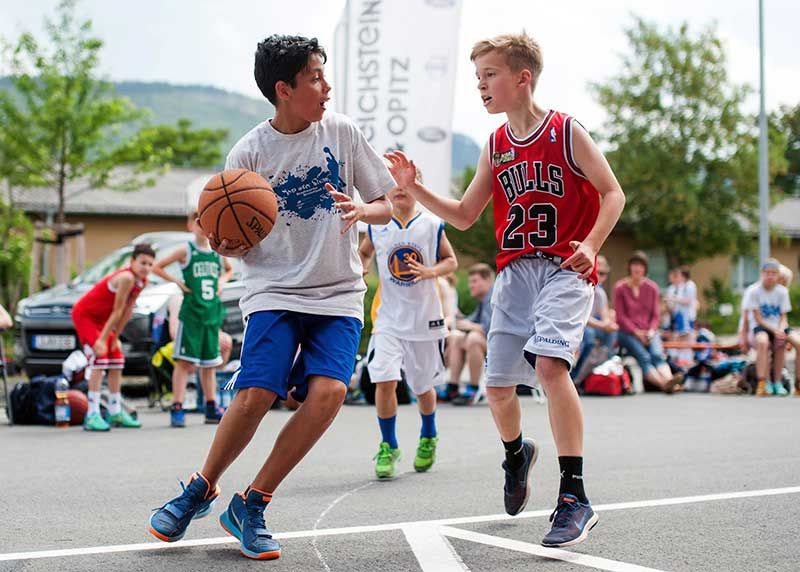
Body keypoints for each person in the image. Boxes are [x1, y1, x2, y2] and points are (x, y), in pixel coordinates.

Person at [148, 35, 393, 560]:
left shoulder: (343, 133)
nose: (326, 87)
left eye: (325, 76)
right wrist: (226, 241)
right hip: (274, 288)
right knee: (257, 393)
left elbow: (386, 204)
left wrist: (361, 212)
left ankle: (251, 504)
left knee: (328, 394)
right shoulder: (250, 152)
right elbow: (228, 237)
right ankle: (201, 486)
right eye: (315, 78)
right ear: (284, 89)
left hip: (338, 291)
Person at [385, 31, 625, 547]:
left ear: (523, 78)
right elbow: (466, 216)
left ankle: (574, 497)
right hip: (514, 274)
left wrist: (592, 242)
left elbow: (613, 193)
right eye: (477, 77)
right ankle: (517, 454)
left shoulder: (565, 131)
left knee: (550, 365)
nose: (481, 86)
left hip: (564, 266)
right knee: (496, 389)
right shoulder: (495, 145)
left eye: (489, 75)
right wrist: (414, 188)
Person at [358, 171, 458, 478]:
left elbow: (451, 261)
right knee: (384, 379)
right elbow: (363, 254)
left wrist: (431, 271)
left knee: (422, 386)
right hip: (387, 318)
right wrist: (360, 269)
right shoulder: (377, 226)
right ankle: (389, 445)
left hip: (425, 319)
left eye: (407, 183)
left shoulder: (431, 224)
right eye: (394, 185)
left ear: (418, 189)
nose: (400, 189)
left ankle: (428, 435)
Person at [150, 210, 234, 427]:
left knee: (209, 363)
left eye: (205, 223)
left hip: (211, 314)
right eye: (197, 223)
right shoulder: (185, 251)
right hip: (192, 315)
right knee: (185, 362)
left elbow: (229, 270)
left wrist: (222, 282)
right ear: (190, 225)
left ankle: (210, 405)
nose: (201, 227)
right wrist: (177, 282)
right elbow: (156, 267)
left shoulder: (217, 254)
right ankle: (177, 406)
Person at [71, 243, 155, 431]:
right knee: (99, 359)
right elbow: (117, 311)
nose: (146, 268)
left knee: (117, 359)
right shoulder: (126, 278)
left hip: (103, 320)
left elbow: (127, 311)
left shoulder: (142, 281)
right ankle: (92, 413)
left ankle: (115, 410)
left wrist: (115, 336)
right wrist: (101, 340)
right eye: (143, 263)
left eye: (150, 264)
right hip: (86, 315)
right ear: (132, 261)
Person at [614, 251, 682, 393]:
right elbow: (621, 317)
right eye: (634, 265)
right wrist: (637, 333)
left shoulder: (652, 288)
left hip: (649, 331)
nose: (637, 269)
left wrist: (650, 332)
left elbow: (655, 315)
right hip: (628, 333)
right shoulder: (620, 287)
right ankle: (665, 385)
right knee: (643, 356)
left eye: (640, 266)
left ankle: (669, 380)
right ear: (629, 267)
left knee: (657, 355)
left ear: (645, 268)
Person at [444, 264, 495, 404]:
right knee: (457, 338)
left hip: (507, 347)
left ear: (488, 280)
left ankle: (474, 389)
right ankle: (452, 388)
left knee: (474, 339)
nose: (470, 286)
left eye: (474, 281)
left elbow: (493, 329)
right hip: (490, 343)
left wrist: (470, 326)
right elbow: (468, 321)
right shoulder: (483, 300)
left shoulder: (495, 298)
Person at [743, 259, 791, 396]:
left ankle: (777, 382)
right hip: (761, 327)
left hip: (777, 327)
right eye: (767, 273)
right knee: (763, 342)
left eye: (773, 273)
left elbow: (783, 316)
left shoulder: (782, 292)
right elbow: (757, 318)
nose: (770, 276)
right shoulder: (754, 291)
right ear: (762, 274)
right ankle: (764, 381)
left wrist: (781, 330)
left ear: (778, 276)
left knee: (781, 343)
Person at [572, 255, 617, 379]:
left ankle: (599, 367)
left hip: (592, 326)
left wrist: (609, 324)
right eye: (599, 273)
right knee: (590, 335)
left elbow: (604, 316)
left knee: (612, 333)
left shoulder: (600, 292)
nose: (601, 277)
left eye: (604, 274)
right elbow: (582, 317)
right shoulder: (582, 286)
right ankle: (576, 376)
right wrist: (603, 325)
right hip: (577, 324)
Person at [664, 266, 698, 362]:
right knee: (677, 336)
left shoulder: (690, 285)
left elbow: (688, 300)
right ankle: (678, 358)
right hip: (678, 316)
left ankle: (687, 359)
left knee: (686, 337)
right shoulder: (679, 287)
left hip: (687, 317)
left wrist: (673, 299)